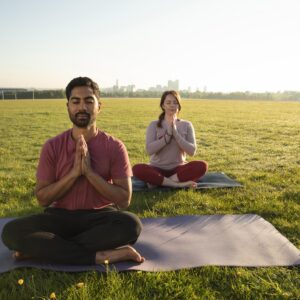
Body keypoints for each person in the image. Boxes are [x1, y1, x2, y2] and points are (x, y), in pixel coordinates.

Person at [1, 77, 144, 265]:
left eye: (88, 101)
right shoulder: (52, 146)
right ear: (67, 106)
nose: (82, 107)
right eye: (75, 101)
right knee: (11, 232)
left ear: (99, 106)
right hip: (59, 218)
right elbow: (43, 199)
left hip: (100, 217)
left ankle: (45, 250)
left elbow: (124, 200)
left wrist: (90, 173)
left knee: (131, 225)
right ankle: (101, 256)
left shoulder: (115, 146)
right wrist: (74, 173)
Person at [133, 90, 208, 188]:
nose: (172, 105)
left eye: (175, 103)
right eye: (168, 102)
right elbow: (149, 150)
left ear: (179, 106)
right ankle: (177, 185)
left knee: (202, 166)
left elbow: (192, 151)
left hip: (178, 169)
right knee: (137, 169)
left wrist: (176, 135)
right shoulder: (153, 125)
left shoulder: (187, 125)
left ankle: (160, 182)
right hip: (157, 168)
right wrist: (167, 136)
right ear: (163, 106)